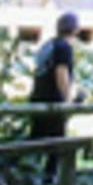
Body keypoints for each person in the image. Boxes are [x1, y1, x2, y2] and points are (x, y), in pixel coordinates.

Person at [25, 12, 80, 145]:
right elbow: (61, 74)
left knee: (36, 142)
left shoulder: (48, 44)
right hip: (53, 102)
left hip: (38, 98)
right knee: (55, 147)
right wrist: (67, 101)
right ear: (75, 29)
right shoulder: (64, 47)